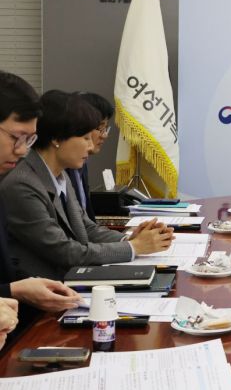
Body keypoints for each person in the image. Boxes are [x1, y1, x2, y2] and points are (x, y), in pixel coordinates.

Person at [0, 90, 174, 281]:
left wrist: (130, 239)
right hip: (46, 290)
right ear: (56, 138)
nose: (90, 147)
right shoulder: (22, 184)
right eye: (85, 138)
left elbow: (86, 228)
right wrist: (134, 247)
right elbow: (64, 251)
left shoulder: (60, 175)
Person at [0, 71, 85, 351]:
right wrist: (16, 290)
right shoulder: (18, 183)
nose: (22, 150)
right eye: (17, 137)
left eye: (29, 139)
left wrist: (22, 288)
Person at [65, 92, 114, 221]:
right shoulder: (61, 169)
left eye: (106, 128)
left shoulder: (82, 163)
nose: (104, 135)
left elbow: (87, 221)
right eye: (100, 128)